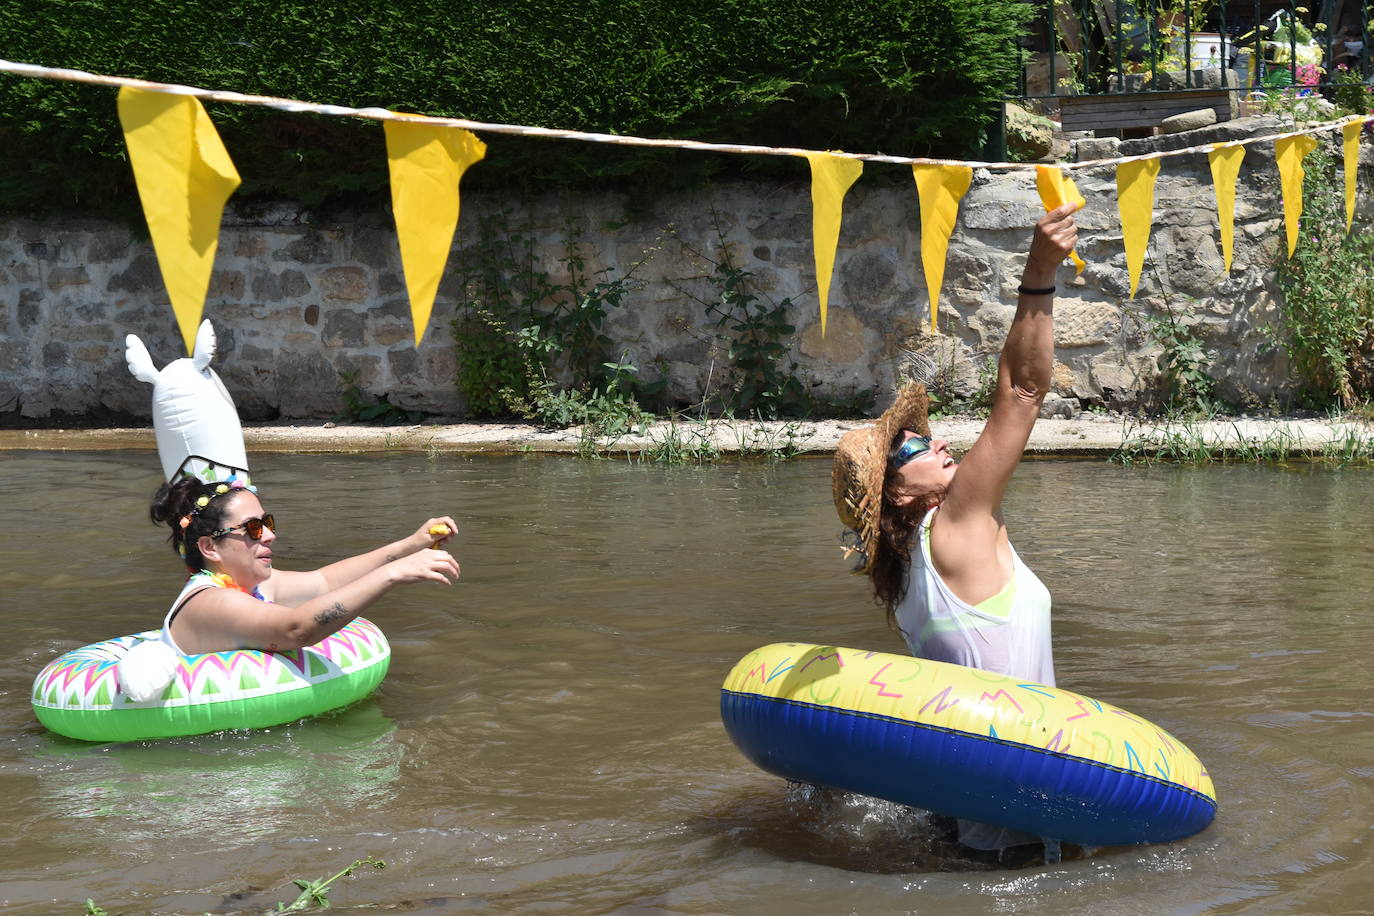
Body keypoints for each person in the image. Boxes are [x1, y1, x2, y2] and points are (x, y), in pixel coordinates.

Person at [830, 202, 1080, 862]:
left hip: (962, 819)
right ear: (898, 494)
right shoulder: (956, 526)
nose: (936, 444)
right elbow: (1023, 392)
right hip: (1019, 830)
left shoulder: (903, 564)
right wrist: (1040, 269)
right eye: (912, 450)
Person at [148, 473, 460, 655]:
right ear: (210, 547)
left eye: (267, 523)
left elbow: (324, 582)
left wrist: (412, 543)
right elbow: (296, 629)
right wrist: (390, 575)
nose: (270, 535)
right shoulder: (211, 601)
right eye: (253, 528)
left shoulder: (252, 587)